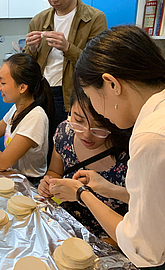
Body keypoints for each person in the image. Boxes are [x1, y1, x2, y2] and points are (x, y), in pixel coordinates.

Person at [49, 25, 165, 269]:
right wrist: (112, 190)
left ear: (112, 84)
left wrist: (82, 194)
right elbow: (156, 201)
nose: (97, 113)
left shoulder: (150, 137)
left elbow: (143, 249)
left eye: (92, 98)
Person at [38, 87, 130, 242]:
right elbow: (55, 171)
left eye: (99, 126)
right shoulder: (64, 133)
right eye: (78, 121)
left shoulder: (130, 155)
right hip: (63, 227)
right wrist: (49, 184)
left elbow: (137, 227)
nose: (86, 134)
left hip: (110, 239)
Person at [23, 0, 107, 133]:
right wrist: (32, 49)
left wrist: (68, 48)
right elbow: (27, 64)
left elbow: (97, 65)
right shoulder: (38, 20)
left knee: (65, 146)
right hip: (40, 92)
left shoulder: (94, 18)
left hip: (72, 95)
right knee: (39, 144)